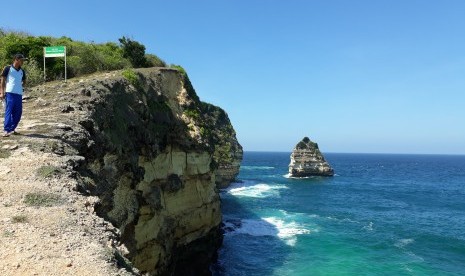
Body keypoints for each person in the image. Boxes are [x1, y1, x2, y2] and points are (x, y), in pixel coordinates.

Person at [0, 54, 27, 137]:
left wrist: (21, 86)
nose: (23, 62)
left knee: (18, 113)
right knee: (9, 111)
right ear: (17, 59)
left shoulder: (22, 71)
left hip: (19, 94)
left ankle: (12, 128)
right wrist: (2, 92)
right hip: (9, 93)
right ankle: (6, 130)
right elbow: (2, 81)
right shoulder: (8, 68)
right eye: (22, 60)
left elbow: (24, 81)